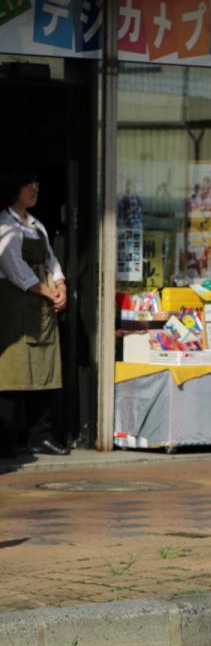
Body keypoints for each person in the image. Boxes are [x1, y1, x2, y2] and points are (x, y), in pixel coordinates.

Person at [0, 170, 68, 457]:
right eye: (29, 184)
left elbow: (51, 258)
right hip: (18, 302)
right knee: (13, 370)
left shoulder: (36, 224)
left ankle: (41, 435)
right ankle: (7, 439)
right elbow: (12, 264)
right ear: (14, 188)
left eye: (37, 184)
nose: (35, 189)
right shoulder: (5, 223)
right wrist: (45, 290)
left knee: (44, 367)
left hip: (43, 302)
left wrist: (61, 284)